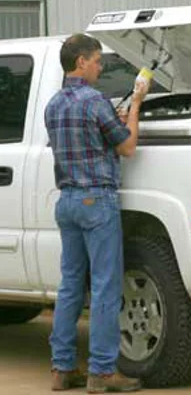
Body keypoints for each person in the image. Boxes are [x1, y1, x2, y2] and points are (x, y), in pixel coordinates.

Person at [44, 33, 149, 393]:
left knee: (70, 285)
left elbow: (84, 138)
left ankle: (61, 369)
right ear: (81, 62)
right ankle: (102, 372)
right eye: (97, 60)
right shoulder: (95, 101)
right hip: (97, 201)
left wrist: (112, 121)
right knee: (105, 287)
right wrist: (136, 105)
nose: (100, 67)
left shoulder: (53, 105)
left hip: (67, 202)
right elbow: (128, 146)